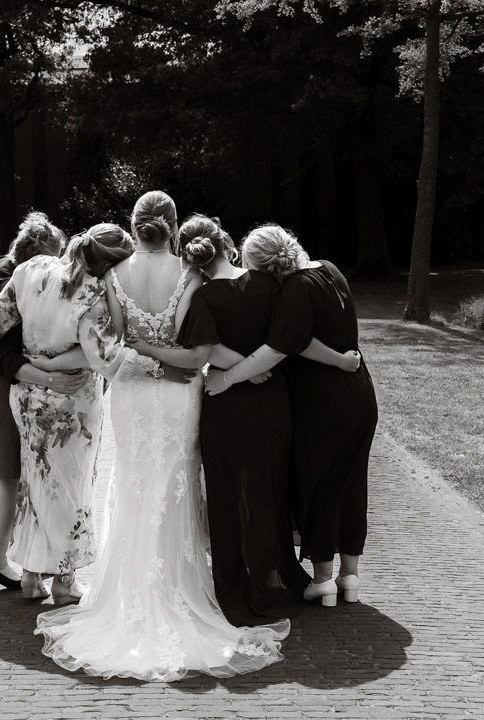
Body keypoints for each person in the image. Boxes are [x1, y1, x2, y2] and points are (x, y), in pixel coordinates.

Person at [32, 191, 288, 682]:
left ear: (134, 224)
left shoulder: (111, 275)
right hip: (178, 394)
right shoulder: (192, 274)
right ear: (173, 227)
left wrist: (138, 358)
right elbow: (201, 345)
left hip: (130, 393)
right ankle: (178, 589)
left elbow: (108, 340)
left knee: (132, 483)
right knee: (175, 485)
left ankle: (130, 596)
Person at [128, 213, 311, 626]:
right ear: (225, 243)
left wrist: (232, 373)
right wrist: (253, 366)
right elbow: (283, 337)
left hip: (225, 407)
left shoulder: (205, 299)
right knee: (267, 493)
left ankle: (234, 587)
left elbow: (203, 350)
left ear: (191, 262)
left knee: (227, 500)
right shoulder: (269, 284)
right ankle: (269, 583)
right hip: (271, 402)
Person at [0, 223, 157, 605]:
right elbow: (102, 358)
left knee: (35, 483)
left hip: (27, 397)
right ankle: (65, 580)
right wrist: (156, 364)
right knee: (70, 487)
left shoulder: (31, 268)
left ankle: (32, 575)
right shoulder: (94, 293)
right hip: (71, 402)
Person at [205, 224, 377, 608]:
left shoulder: (294, 289)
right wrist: (342, 360)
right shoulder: (329, 269)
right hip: (360, 394)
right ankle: (350, 578)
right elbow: (317, 334)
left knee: (319, 483)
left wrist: (228, 377)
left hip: (325, 401)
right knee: (352, 485)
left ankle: (322, 580)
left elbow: (281, 347)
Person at [0, 212, 86, 595]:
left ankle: (23, 567)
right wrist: (51, 375)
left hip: (11, 382)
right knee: (21, 476)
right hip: (6, 380)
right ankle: (6, 562)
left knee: (25, 478)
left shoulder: (12, 272)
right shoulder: (16, 279)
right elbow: (5, 356)